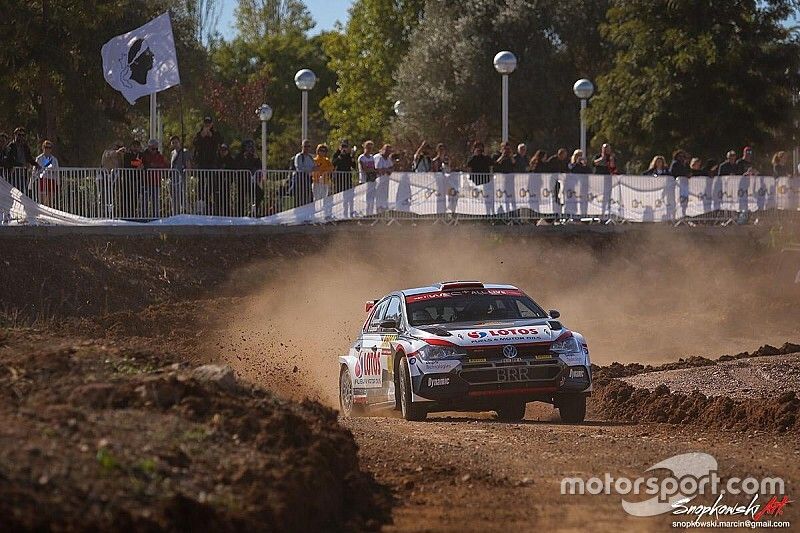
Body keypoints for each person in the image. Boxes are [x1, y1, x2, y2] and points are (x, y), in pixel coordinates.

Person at [141, 139, 168, 218]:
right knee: (144, 202)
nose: (155, 151)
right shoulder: (143, 155)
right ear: (149, 147)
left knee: (155, 202)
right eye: (153, 149)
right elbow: (136, 163)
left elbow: (165, 166)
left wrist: (157, 166)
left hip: (156, 183)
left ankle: (155, 217)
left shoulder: (160, 156)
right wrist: (148, 165)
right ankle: (144, 217)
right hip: (146, 182)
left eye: (156, 149)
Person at [6, 127, 38, 191]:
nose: (21, 137)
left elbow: (29, 157)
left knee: (22, 191)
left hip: (23, 173)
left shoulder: (25, 146)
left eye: (23, 135)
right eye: (19, 135)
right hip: (14, 173)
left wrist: (36, 164)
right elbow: (10, 159)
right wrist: (21, 165)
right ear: (15, 135)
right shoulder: (11, 146)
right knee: (14, 192)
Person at [235, 139, 262, 216]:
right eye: (248, 147)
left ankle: (254, 212)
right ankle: (240, 215)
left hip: (250, 181)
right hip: (242, 180)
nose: (250, 149)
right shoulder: (239, 156)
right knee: (242, 198)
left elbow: (259, 166)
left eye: (251, 147)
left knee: (259, 193)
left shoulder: (253, 156)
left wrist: (257, 159)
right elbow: (238, 166)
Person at [169, 136, 192, 215]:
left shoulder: (184, 152)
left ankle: (185, 212)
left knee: (182, 196)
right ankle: (175, 213)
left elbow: (188, 164)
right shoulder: (172, 153)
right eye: (173, 143)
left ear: (179, 142)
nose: (174, 144)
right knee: (174, 197)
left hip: (181, 177)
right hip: (173, 178)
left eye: (176, 142)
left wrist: (187, 176)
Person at [291, 139, 316, 206]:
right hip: (300, 179)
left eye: (308, 146)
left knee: (309, 197)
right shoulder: (299, 156)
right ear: (302, 147)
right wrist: (310, 169)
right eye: (305, 146)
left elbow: (314, 166)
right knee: (299, 198)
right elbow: (299, 167)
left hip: (308, 179)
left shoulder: (311, 157)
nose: (307, 148)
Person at [34, 140, 59, 206]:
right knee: (42, 200)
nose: (47, 149)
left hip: (51, 180)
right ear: (43, 148)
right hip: (42, 180)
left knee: (50, 201)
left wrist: (58, 183)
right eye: (46, 147)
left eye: (49, 147)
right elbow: (35, 171)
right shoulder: (39, 159)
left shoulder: (54, 159)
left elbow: (57, 171)